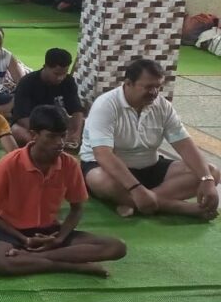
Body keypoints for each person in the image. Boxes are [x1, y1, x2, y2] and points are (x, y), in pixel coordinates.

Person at [0, 105, 127, 277]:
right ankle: (73, 266)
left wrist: (59, 238)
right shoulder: (9, 164)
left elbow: (77, 209)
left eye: (62, 135)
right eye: (51, 136)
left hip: (51, 232)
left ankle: (30, 257)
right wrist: (24, 239)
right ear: (34, 135)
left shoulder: (70, 164)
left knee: (117, 247)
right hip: (12, 232)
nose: (59, 143)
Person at [80, 59, 220, 220]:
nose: (154, 92)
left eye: (158, 87)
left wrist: (207, 179)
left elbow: (184, 145)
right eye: (148, 87)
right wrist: (135, 187)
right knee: (99, 179)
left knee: (212, 171)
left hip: (151, 166)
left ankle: (134, 202)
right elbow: (103, 155)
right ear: (128, 83)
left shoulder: (163, 106)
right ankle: (177, 207)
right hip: (108, 170)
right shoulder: (105, 105)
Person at [11, 48, 84, 147]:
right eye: (56, 74)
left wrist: (76, 134)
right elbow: (22, 118)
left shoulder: (68, 81)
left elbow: (76, 110)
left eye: (64, 73)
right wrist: (47, 134)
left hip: (60, 125)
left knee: (84, 123)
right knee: (17, 131)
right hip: (35, 127)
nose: (60, 78)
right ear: (45, 67)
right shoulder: (27, 83)